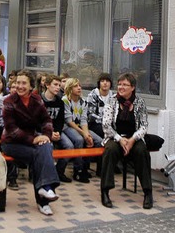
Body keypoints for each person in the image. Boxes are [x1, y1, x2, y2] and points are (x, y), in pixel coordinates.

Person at [1, 70, 60, 216]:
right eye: (17, 83)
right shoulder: (9, 101)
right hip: (12, 143)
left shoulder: (37, 99)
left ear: (31, 85)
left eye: (23, 83)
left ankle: (44, 190)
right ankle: (44, 196)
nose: (20, 86)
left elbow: (46, 120)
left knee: (45, 146)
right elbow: (11, 129)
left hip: (31, 140)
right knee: (38, 155)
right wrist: (33, 139)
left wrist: (46, 136)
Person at [100, 72, 152, 209]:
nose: (121, 87)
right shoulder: (112, 101)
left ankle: (148, 192)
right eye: (119, 84)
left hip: (133, 137)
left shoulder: (139, 103)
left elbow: (144, 125)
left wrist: (132, 139)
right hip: (115, 137)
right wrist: (120, 139)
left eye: (125, 85)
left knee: (142, 152)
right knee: (110, 151)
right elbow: (106, 125)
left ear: (133, 87)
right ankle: (105, 191)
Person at [61, 77, 102, 183]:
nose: (79, 88)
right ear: (70, 88)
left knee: (98, 140)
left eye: (79, 86)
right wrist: (84, 133)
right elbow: (69, 121)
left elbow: (83, 120)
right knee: (79, 139)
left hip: (79, 127)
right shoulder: (65, 100)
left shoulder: (83, 102)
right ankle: (77, 170)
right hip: (67, 127)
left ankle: (85, 167)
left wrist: (87, 134)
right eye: (75, 86)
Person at [42, 75, 74, 182]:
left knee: (69, 146)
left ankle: (59, 171)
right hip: (42, 132)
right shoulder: (38, 100)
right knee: (48, 146)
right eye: (55, 84)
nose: (57, 87)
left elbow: (60, 121)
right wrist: (49, 134)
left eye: (59, 85)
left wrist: (57, 132)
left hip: (55, 131)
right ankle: (44, 173)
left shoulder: (60, 102)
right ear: (47, 85)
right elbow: (37, 122)